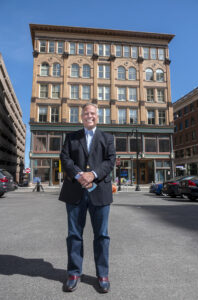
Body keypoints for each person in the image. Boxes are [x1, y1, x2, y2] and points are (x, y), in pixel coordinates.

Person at [59, 103, 116, 293]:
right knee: (74, 235)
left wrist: (93, 175)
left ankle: (102, 275)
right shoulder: (71, 137)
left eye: (92, 113)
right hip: (75, 191)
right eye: (86, 113)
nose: (89, 116)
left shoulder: (107, 138)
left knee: (102, 236)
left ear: (98, 116)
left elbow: (110, 160)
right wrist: (79, 175)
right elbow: (65, 158)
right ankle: (74, 273)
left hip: (100, 192)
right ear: (81, 116)